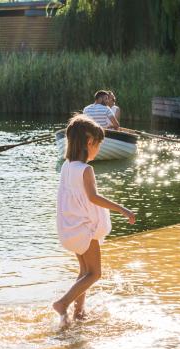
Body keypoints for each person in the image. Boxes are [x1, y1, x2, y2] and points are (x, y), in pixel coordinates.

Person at [53, 114, 136, 326]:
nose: (98, 149)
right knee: (95, 273)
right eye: (98, 144)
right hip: (84, 229)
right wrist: (123, 209)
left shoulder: (66, 166)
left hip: (71, 229)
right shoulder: (86, 169)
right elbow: (93, 198)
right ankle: (63, 303)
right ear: (89, 142)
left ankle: (79, 312)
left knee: (84, 272)